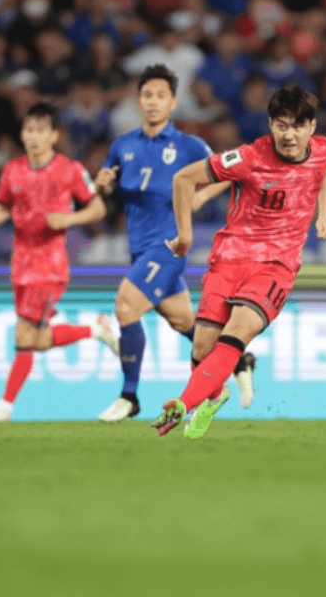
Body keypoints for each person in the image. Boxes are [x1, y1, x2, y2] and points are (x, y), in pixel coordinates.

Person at [153, 85, 326, 438]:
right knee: (202, 348)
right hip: (231, 258)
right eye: (281, 125)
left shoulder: (324, 149)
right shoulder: (249, 157)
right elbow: (183, 178)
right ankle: (215, 395)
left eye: (297, 126)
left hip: (277, 265)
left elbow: (324, 167)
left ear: (311, 127)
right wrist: (185, 236)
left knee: (235, 333)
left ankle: (182, 404)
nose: (289, 134)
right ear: (270, 125)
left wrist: (323, 214)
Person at [94, 64, 241, 423]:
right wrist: (102, 186)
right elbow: (108, 187)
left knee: (126, 307)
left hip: (170, 245)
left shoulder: (188, 145)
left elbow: (231, 170)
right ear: (138, 100)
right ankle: (232, 364)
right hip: (139, 248)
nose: (153, 102)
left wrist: (202, 198)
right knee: (181, 320)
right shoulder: (122, 145)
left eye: (161, 96)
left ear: (173, 102)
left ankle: (129, 397)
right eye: (147, 95)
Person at [0, 103, 119, 423]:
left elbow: (97, 209)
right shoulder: (12, 170)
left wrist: (68, 218)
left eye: (41, 130)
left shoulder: (69, 169)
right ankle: (96, 329)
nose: (34, 137)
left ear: (54, 135)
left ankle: (5, 406)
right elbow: (3, 207)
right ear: (22, 135)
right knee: (34, 339)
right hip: (20, 264)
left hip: (50, 265)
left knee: (24, 337)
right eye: (29, 130)